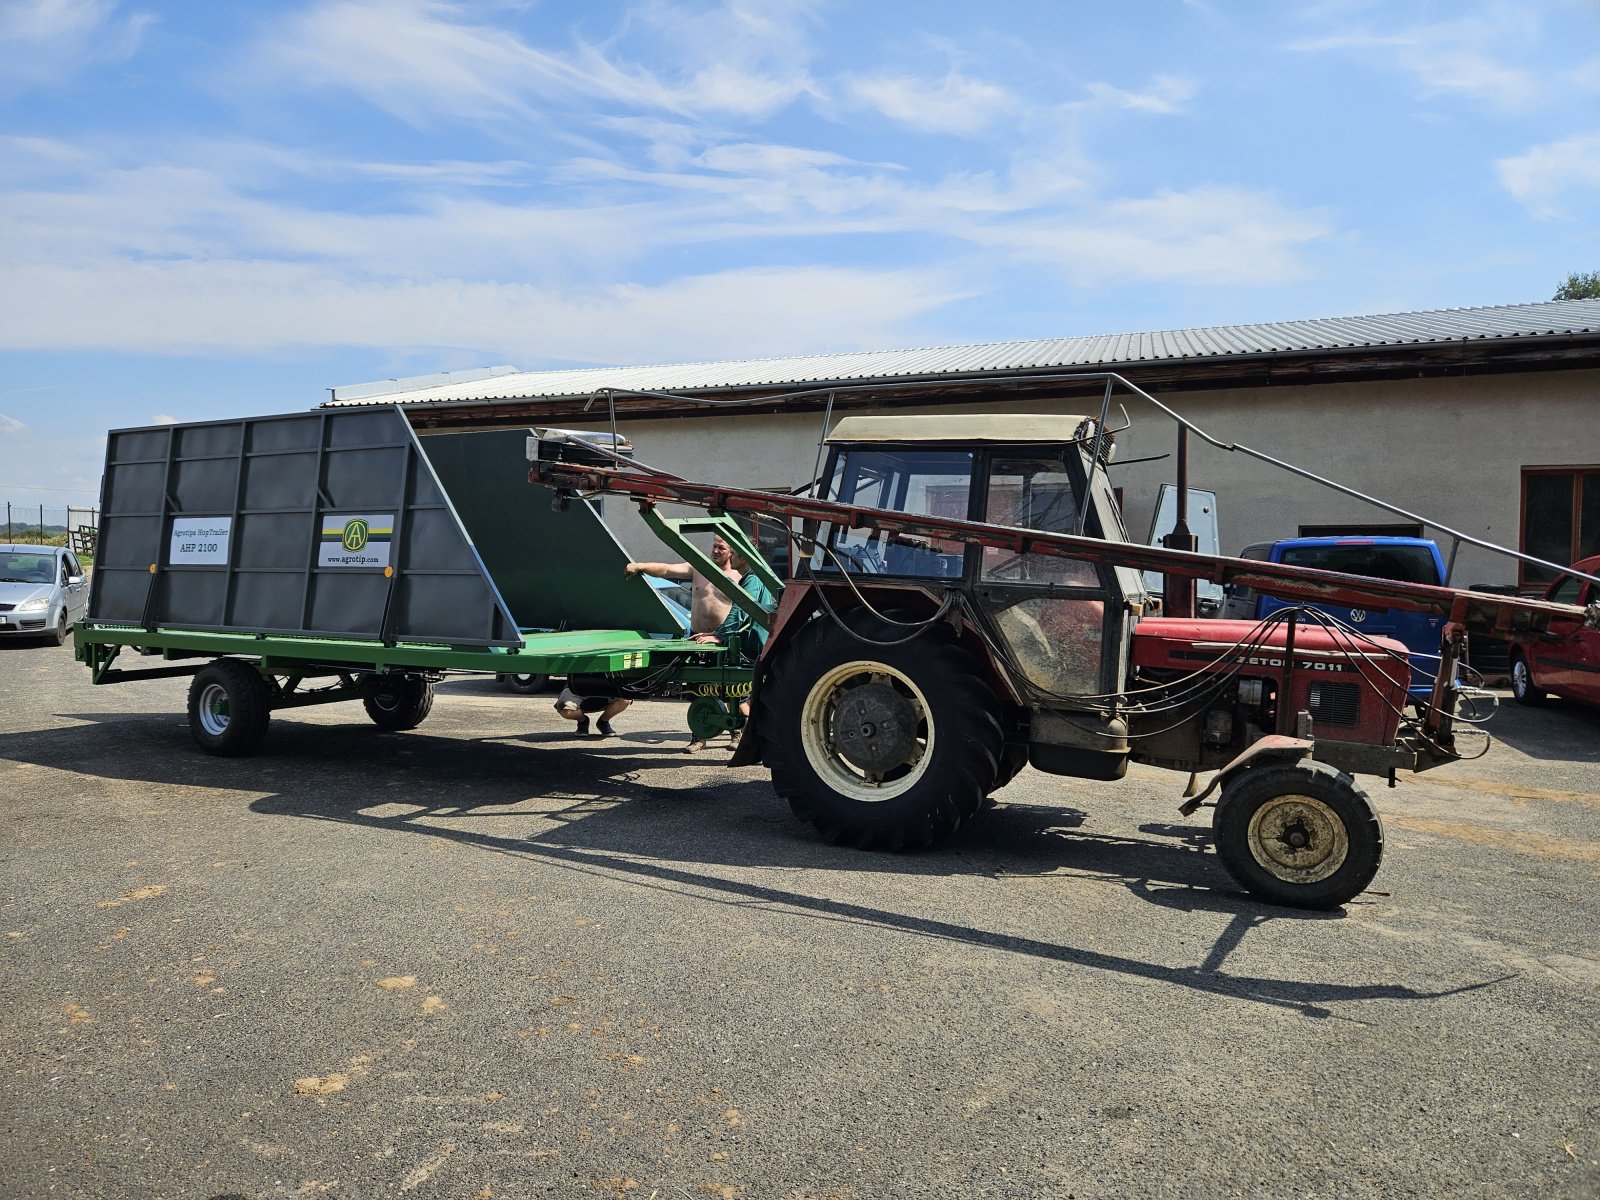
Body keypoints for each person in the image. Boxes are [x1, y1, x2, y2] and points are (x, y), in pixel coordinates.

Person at [683, 548, 776, 752]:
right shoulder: (754, 578)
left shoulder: (753, 580)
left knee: (743, 695)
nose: (729, 557)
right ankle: (755, 741)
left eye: (732, 552)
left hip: (752, 648)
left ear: (744, 557)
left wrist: (720, 635)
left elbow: (742, 608)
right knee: (747, 696)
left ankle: (755, 741)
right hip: (754, 646)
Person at [625, 535, 742, 635]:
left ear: (731, 553)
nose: (715, 551)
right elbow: (666, 569)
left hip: (722, 639)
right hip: (695, 637)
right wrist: (639, 566)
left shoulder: (739, 576)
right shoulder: (699, 568)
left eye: (721, 548)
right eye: (714, 546)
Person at [553, 685, 629, 737]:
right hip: (577, 685)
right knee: (566, 708)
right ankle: (583, 721)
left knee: (625, 699)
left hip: (606, 685)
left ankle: (603, 722)